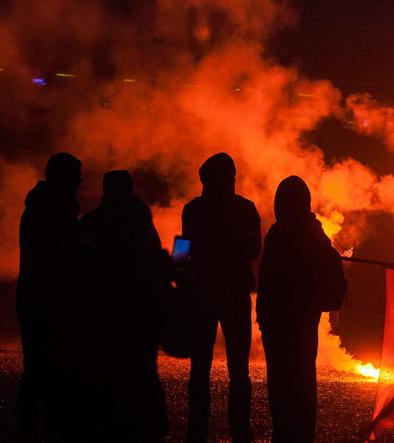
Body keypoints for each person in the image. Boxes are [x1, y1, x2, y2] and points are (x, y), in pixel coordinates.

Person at [77, 170, 168, 441]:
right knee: (141, 383)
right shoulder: (140, 221)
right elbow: (155, 265)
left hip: (100, 320)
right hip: (137, 320)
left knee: (103, 385)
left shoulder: (90, 224)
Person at [257, 176, 347, 443]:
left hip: (288, 320)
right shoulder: (313, 236)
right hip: (296, 320)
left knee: (287, 378)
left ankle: (289, 431)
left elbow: (266, 276)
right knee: (298, 376)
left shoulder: (287, 235)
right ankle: (295, 432)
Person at [183, 153, 261, 443]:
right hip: (234, 292)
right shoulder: (245, 209)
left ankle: (197, 429)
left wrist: (181, 278)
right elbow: (253, 249)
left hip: (203, 293)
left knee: (200, 365)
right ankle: (240, 428)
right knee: (238, 367)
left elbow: (183, 248)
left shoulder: (194, 210)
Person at [16, 152, 82, 441]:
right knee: (47, 369)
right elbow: (64, 256)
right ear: (63, 179)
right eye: (75, 178)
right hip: (46, 300)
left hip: (34, 297)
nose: (79, 184)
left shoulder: (41, 208)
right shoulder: (53, 213)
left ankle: (31, 428)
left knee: (38, 367)